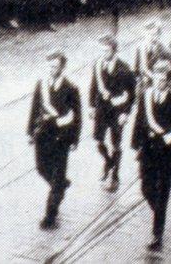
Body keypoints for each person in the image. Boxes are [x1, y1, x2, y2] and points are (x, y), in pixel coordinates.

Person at [131, 60, 171, 251]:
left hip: (166, 154)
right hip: (147, 150)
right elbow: (139, 120)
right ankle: (159, 212)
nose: (159, 82)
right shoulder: (145, 95)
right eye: (156, 78)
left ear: (169, 81)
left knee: (162, 192)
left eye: (163, 80)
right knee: (146, 187)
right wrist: (135, 144)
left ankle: (157, 233)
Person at [27, 52, 81, 229]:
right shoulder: (41, 84)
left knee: (57, 176)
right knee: (41, 168)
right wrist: (29, 131)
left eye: (55, 66)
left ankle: (50, 214)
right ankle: (60, 186)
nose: (52, 69)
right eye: (50, 66)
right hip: (43, 135)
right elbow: (34, 108)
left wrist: (74, 139)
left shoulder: (71, 88)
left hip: (61, 137)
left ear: (62, 67)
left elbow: (77, 116)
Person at [88, 34, 135, 191]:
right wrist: (91, 106)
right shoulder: (97, 64)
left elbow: (131, 95)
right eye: (101, 50)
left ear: (114, 51)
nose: (103, 54)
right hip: (101, 110)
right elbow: (93, 87)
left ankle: (115, 173)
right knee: (98, 141)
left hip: (117, 112)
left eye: (107, 50)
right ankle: (109, 162)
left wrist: (126, 113)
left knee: (116, 143)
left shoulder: (125, 69)